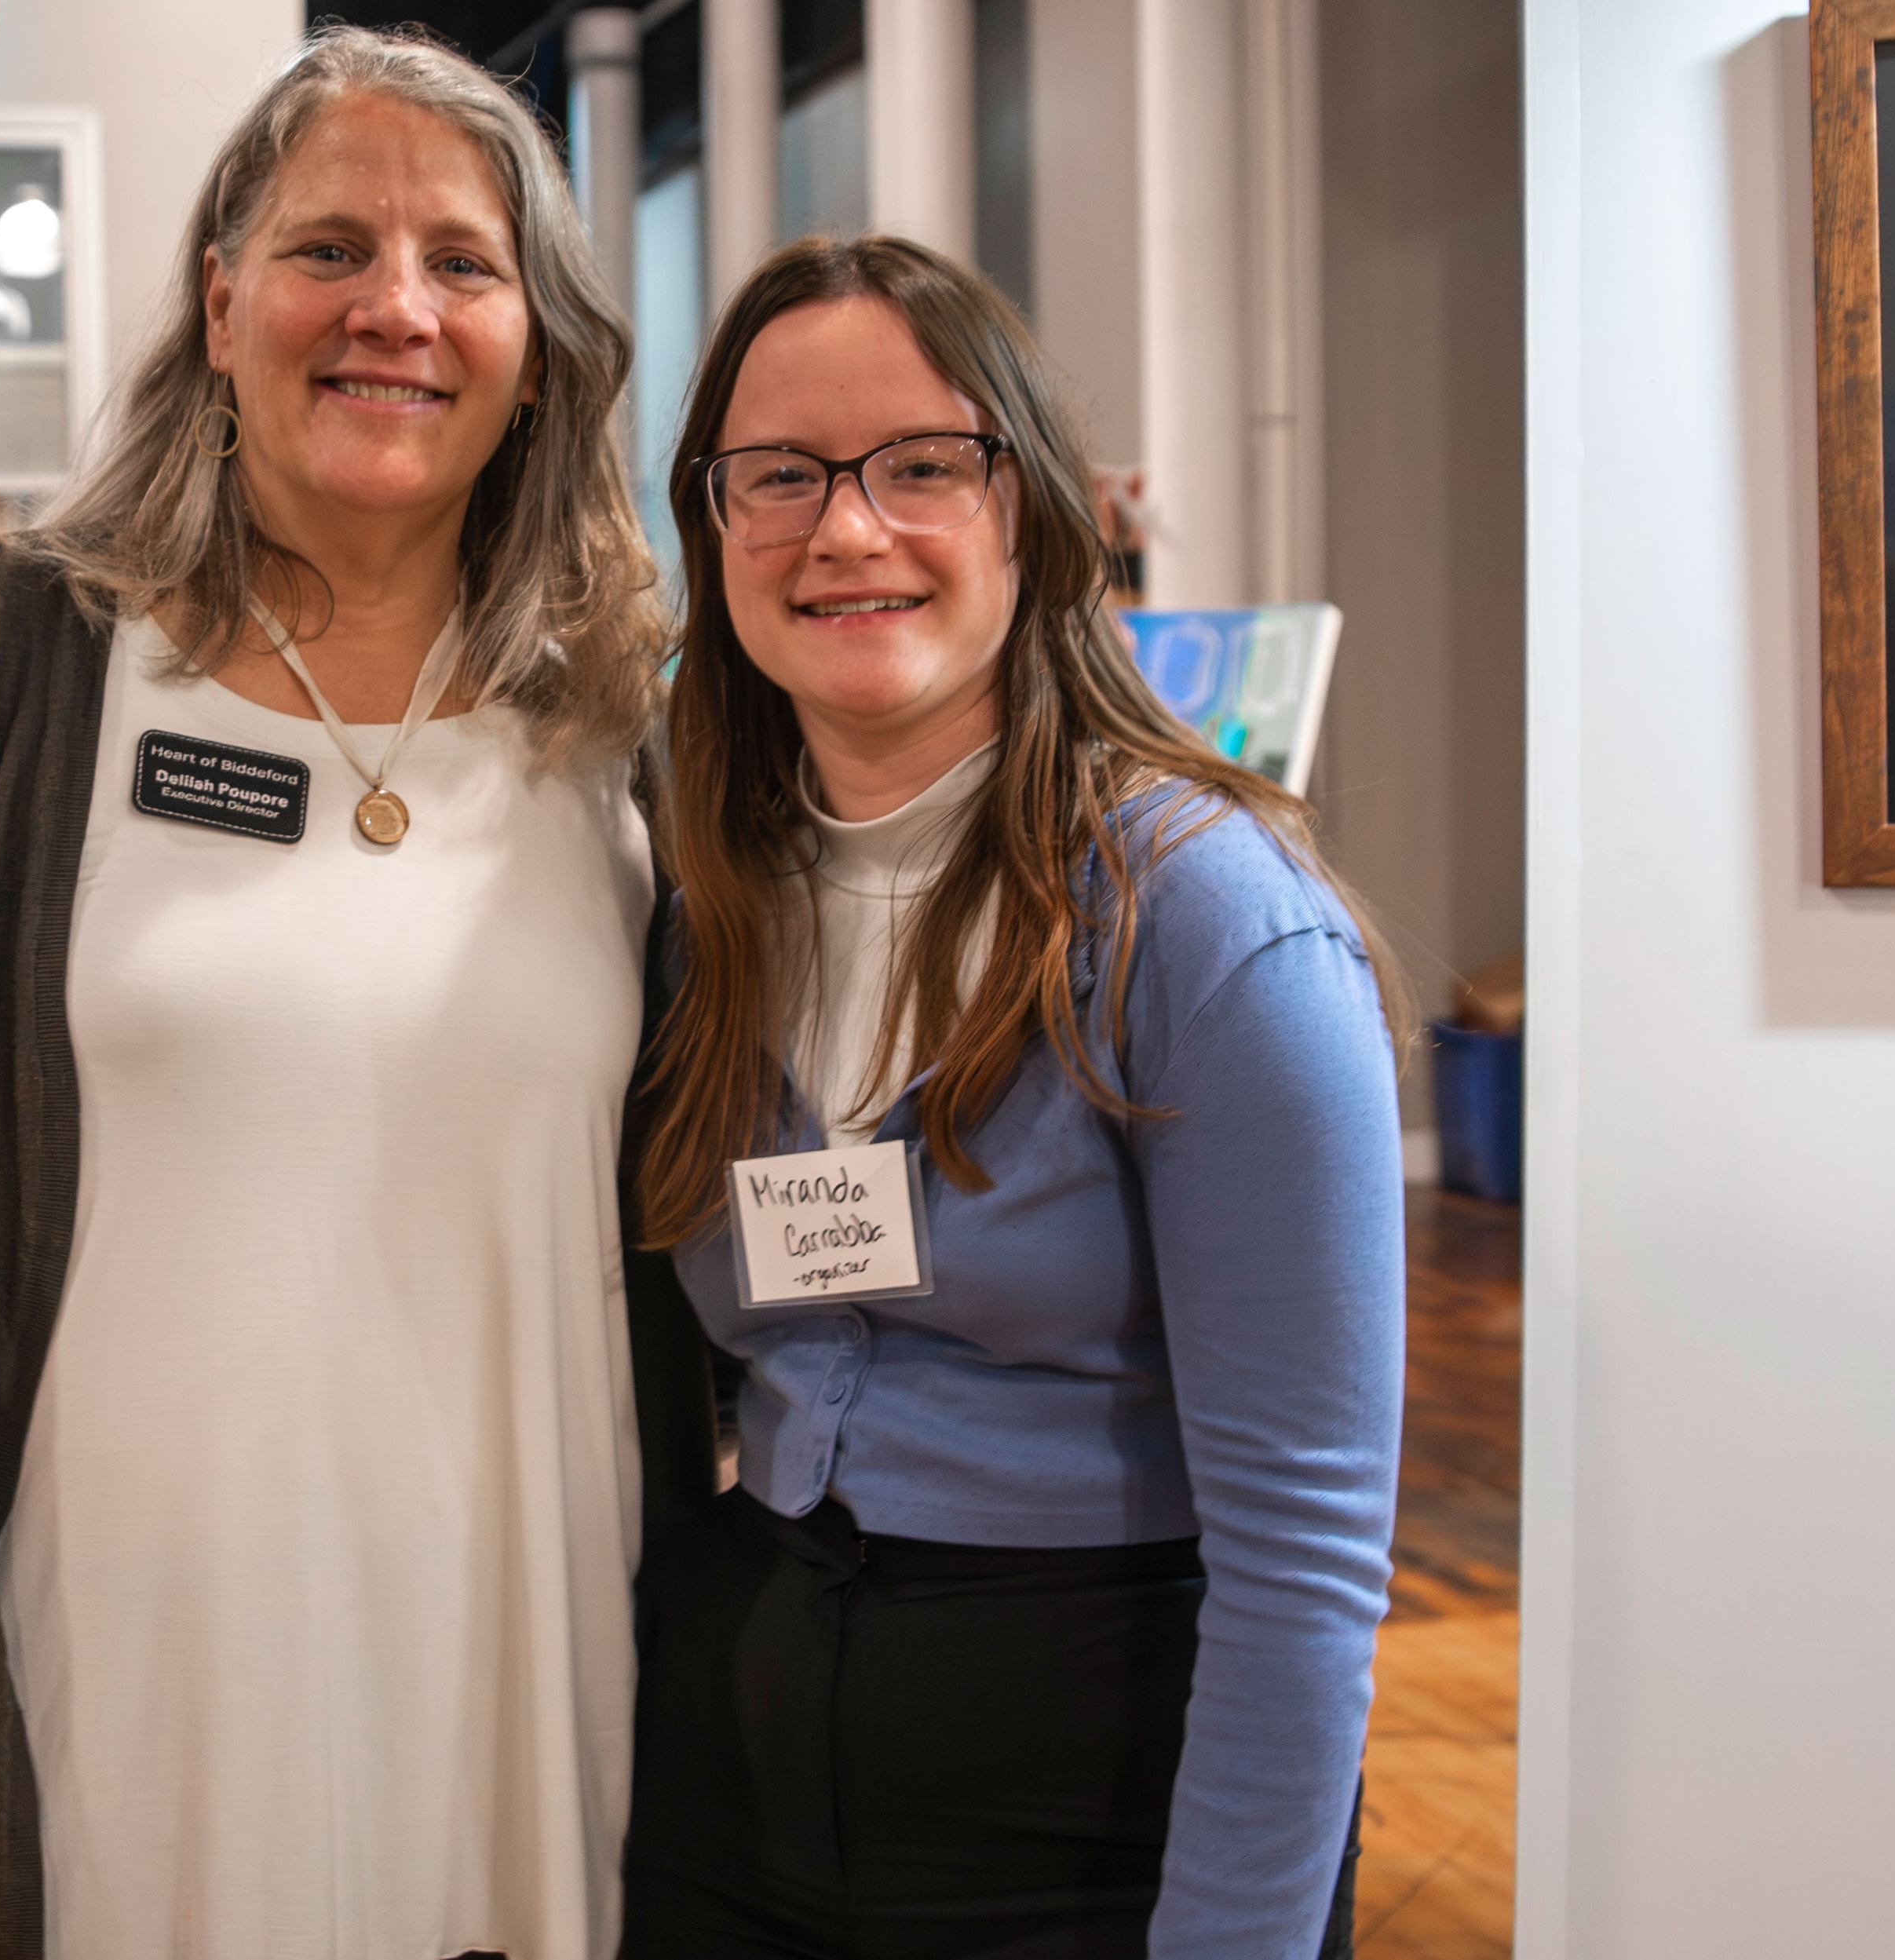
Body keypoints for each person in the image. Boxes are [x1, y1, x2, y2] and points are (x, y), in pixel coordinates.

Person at [0, 28, 662, 1960]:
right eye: (329, 247)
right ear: (219, 303)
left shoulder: (625, 734)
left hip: (538, 1695)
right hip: (101, 1722)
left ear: (539, 341)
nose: (395, 307)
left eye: (463, 261)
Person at [624, 235, 1411, 1960]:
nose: (846, 528)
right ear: (715, 526)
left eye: (923, 464)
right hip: (729, 1795)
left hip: (1082, 1815)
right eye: (780, 476)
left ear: (1036, 510)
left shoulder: (1206, 923)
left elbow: (1307, 1563)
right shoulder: (706, 908)